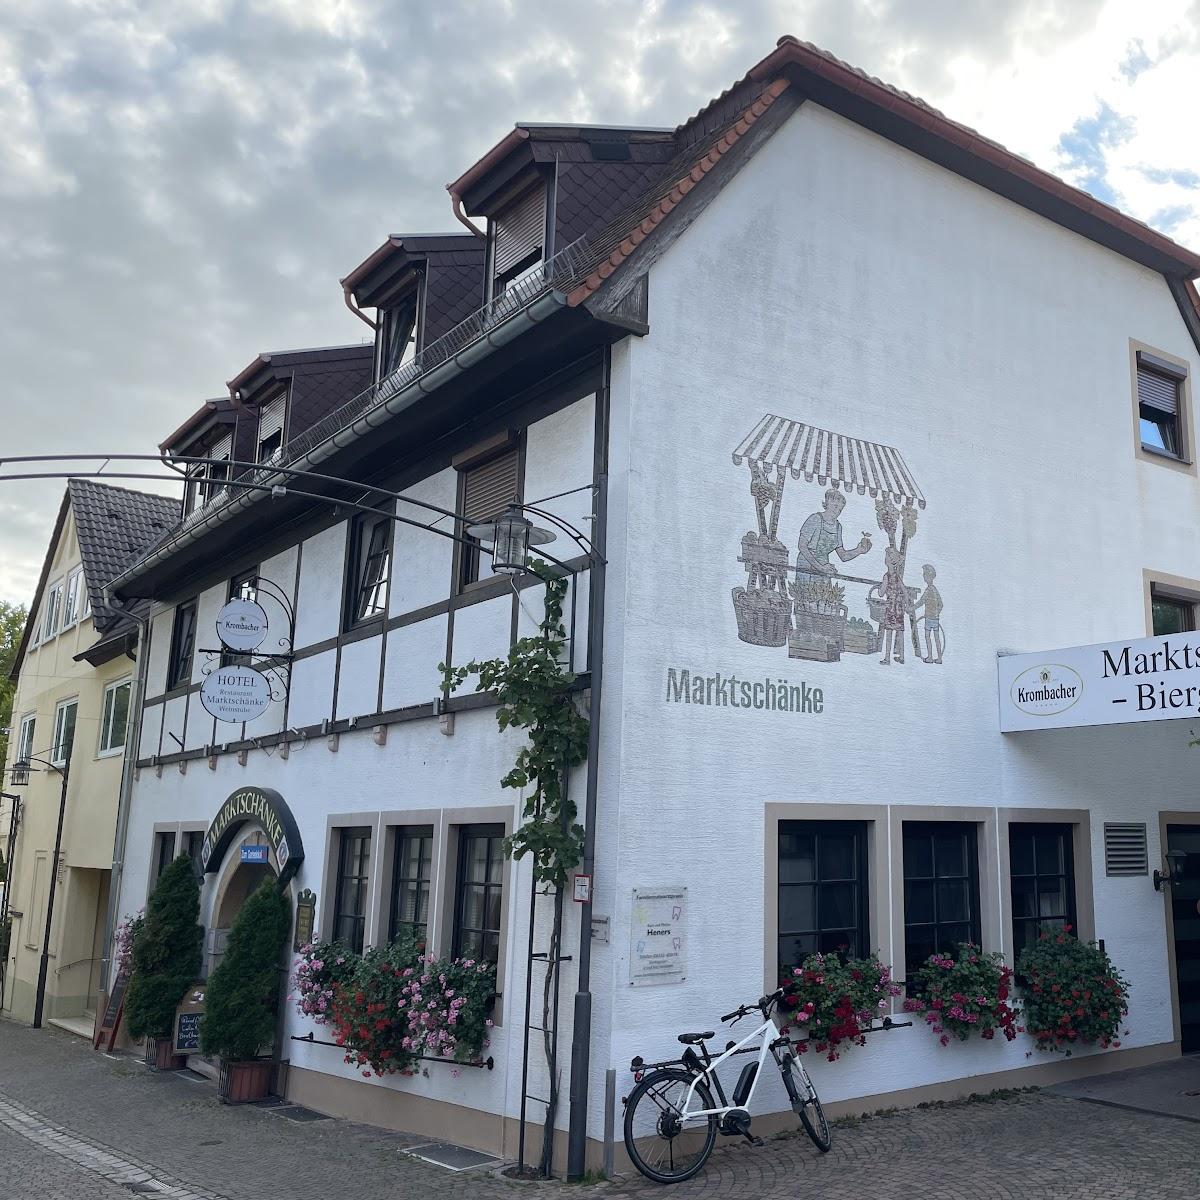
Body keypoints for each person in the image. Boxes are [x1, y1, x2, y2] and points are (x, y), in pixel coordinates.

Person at [796, 488, 872, 578]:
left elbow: (843, 556)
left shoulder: (838, 527)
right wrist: (820, 567)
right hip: (807, 565)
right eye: (835, 506)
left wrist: (859, 550)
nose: (837, 511)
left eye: (840, 509)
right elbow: (802, 546)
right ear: (827, 503)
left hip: (825, 566)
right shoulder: (815, 519)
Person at [878, 545, 912, 666]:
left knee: (889, 632)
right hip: (899, 608)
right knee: (900, 632)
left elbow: (881, 593)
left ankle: (887, 658)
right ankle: (902, 657)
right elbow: (905, 591)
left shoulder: (886, 576)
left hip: (890, 608)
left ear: (888, 561)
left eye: (886, 556)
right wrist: (907, 604)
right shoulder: (897, 577)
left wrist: (880, 588)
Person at [916, 563, 944, 664]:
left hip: (929, 618)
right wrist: (937, 613)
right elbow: (941, 604)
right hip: (935, 618)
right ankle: (939, 658)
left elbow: (921, 602)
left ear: (929, 576)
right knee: (936, 637)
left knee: (928, 637)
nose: (923, 576)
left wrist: (912, 608)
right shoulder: (935, 590)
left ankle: (930, 657)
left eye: (925, 575)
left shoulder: (929, 590)